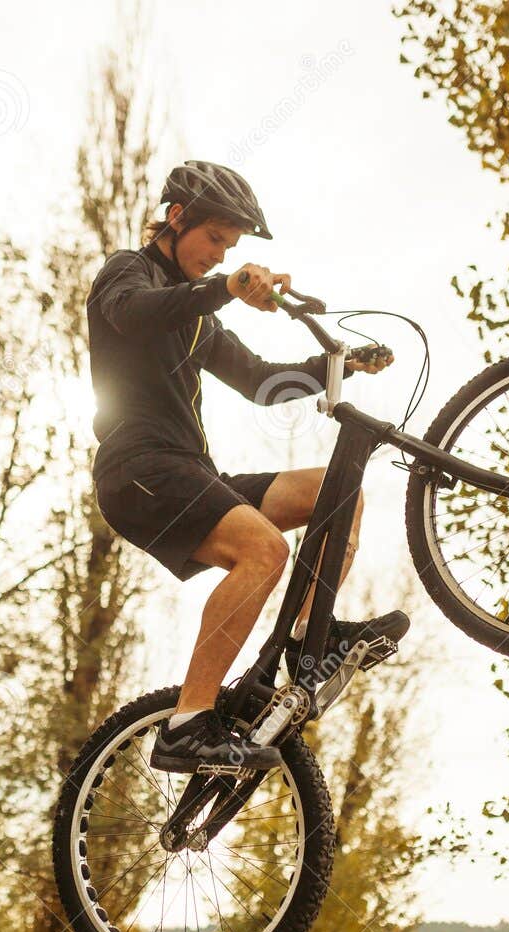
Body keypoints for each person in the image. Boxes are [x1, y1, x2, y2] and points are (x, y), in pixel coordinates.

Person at [85, 159, 410, 774]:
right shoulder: (128, 272)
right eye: (213, 240)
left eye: (228, 249)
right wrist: (226, 289)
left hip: (191, 471)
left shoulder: (198, 317)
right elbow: (133, 313)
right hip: (139, 469)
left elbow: (261, 382)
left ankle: (311, 640)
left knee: (338, 492)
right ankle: (187, 725)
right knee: (263, 552)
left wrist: (337, 365)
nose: (217, 256)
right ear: (175, 218)